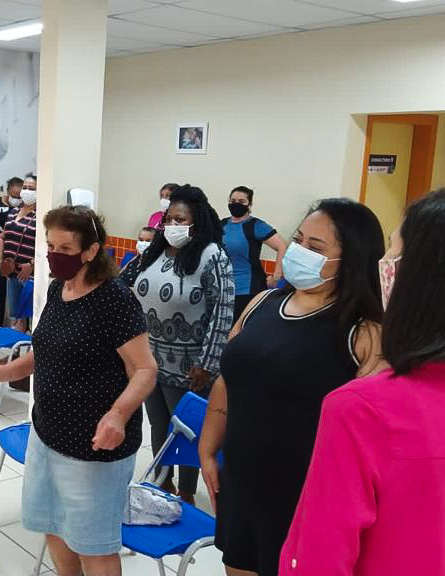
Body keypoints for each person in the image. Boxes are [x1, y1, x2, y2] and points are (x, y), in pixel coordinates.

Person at [279, 186, 445, 576]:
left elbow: (320, 559)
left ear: (423, 280)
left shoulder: (365, 409)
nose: (384, 264)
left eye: (394, 253)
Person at [199, 198, 386, 576]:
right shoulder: (263, 303)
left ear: (351, 260)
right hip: (244, 482)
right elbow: (228, 378)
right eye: (298, 240)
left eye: (315, 247)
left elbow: (373, 433)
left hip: (307, 495)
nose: (298, 251)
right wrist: (207, 447)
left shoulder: (364, 333)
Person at [0, 205, 157, 576]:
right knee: (53, 527)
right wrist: (1, 372)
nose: (54, 255)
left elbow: (144, 370)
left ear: (91, 251)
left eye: (65, 248)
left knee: (93, 547)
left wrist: (117, 415)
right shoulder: (60, 288)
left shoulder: (114, 300)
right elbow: (44, 351)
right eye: (50, 245)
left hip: (93, 449)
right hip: (47, 435)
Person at [134, 185, 234, 502]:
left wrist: (208, 363)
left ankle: (187, 492)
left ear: (197, 221)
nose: (173, 225)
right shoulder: (156, 252)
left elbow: (222, 311)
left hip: (190, 366)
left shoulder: (212, 255)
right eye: (169, 219)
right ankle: (163, 482)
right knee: (158, 424)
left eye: (180, 220)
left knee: (188, 430)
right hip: (151, 360)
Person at [223, 186, 288, 321]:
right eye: (233, 201)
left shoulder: (256, 225)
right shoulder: (222, 224)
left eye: (242, 201)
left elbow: (282, 246)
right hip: (223, 288)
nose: (236, 204)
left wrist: (276, 276)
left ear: (249, 204)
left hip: (247, 289)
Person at [0, 174, 37, 331]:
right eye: (25, 187)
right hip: (11, 272)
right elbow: (3, 237)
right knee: (16, 318)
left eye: (32, 188)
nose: (27, 191)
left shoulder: (41, 215)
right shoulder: (13, 212)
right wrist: (0, 261)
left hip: (29, 275)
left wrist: (32, 264)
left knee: (33, 318)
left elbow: (46, 246)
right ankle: (16, 346)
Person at [0, 177, 24, 326]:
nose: (16, 199)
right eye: (14, 195)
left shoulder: (24, 208)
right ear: (8, 191)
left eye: (19, 196)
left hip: (16, 255)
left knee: (16, 293)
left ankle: (18, 325)